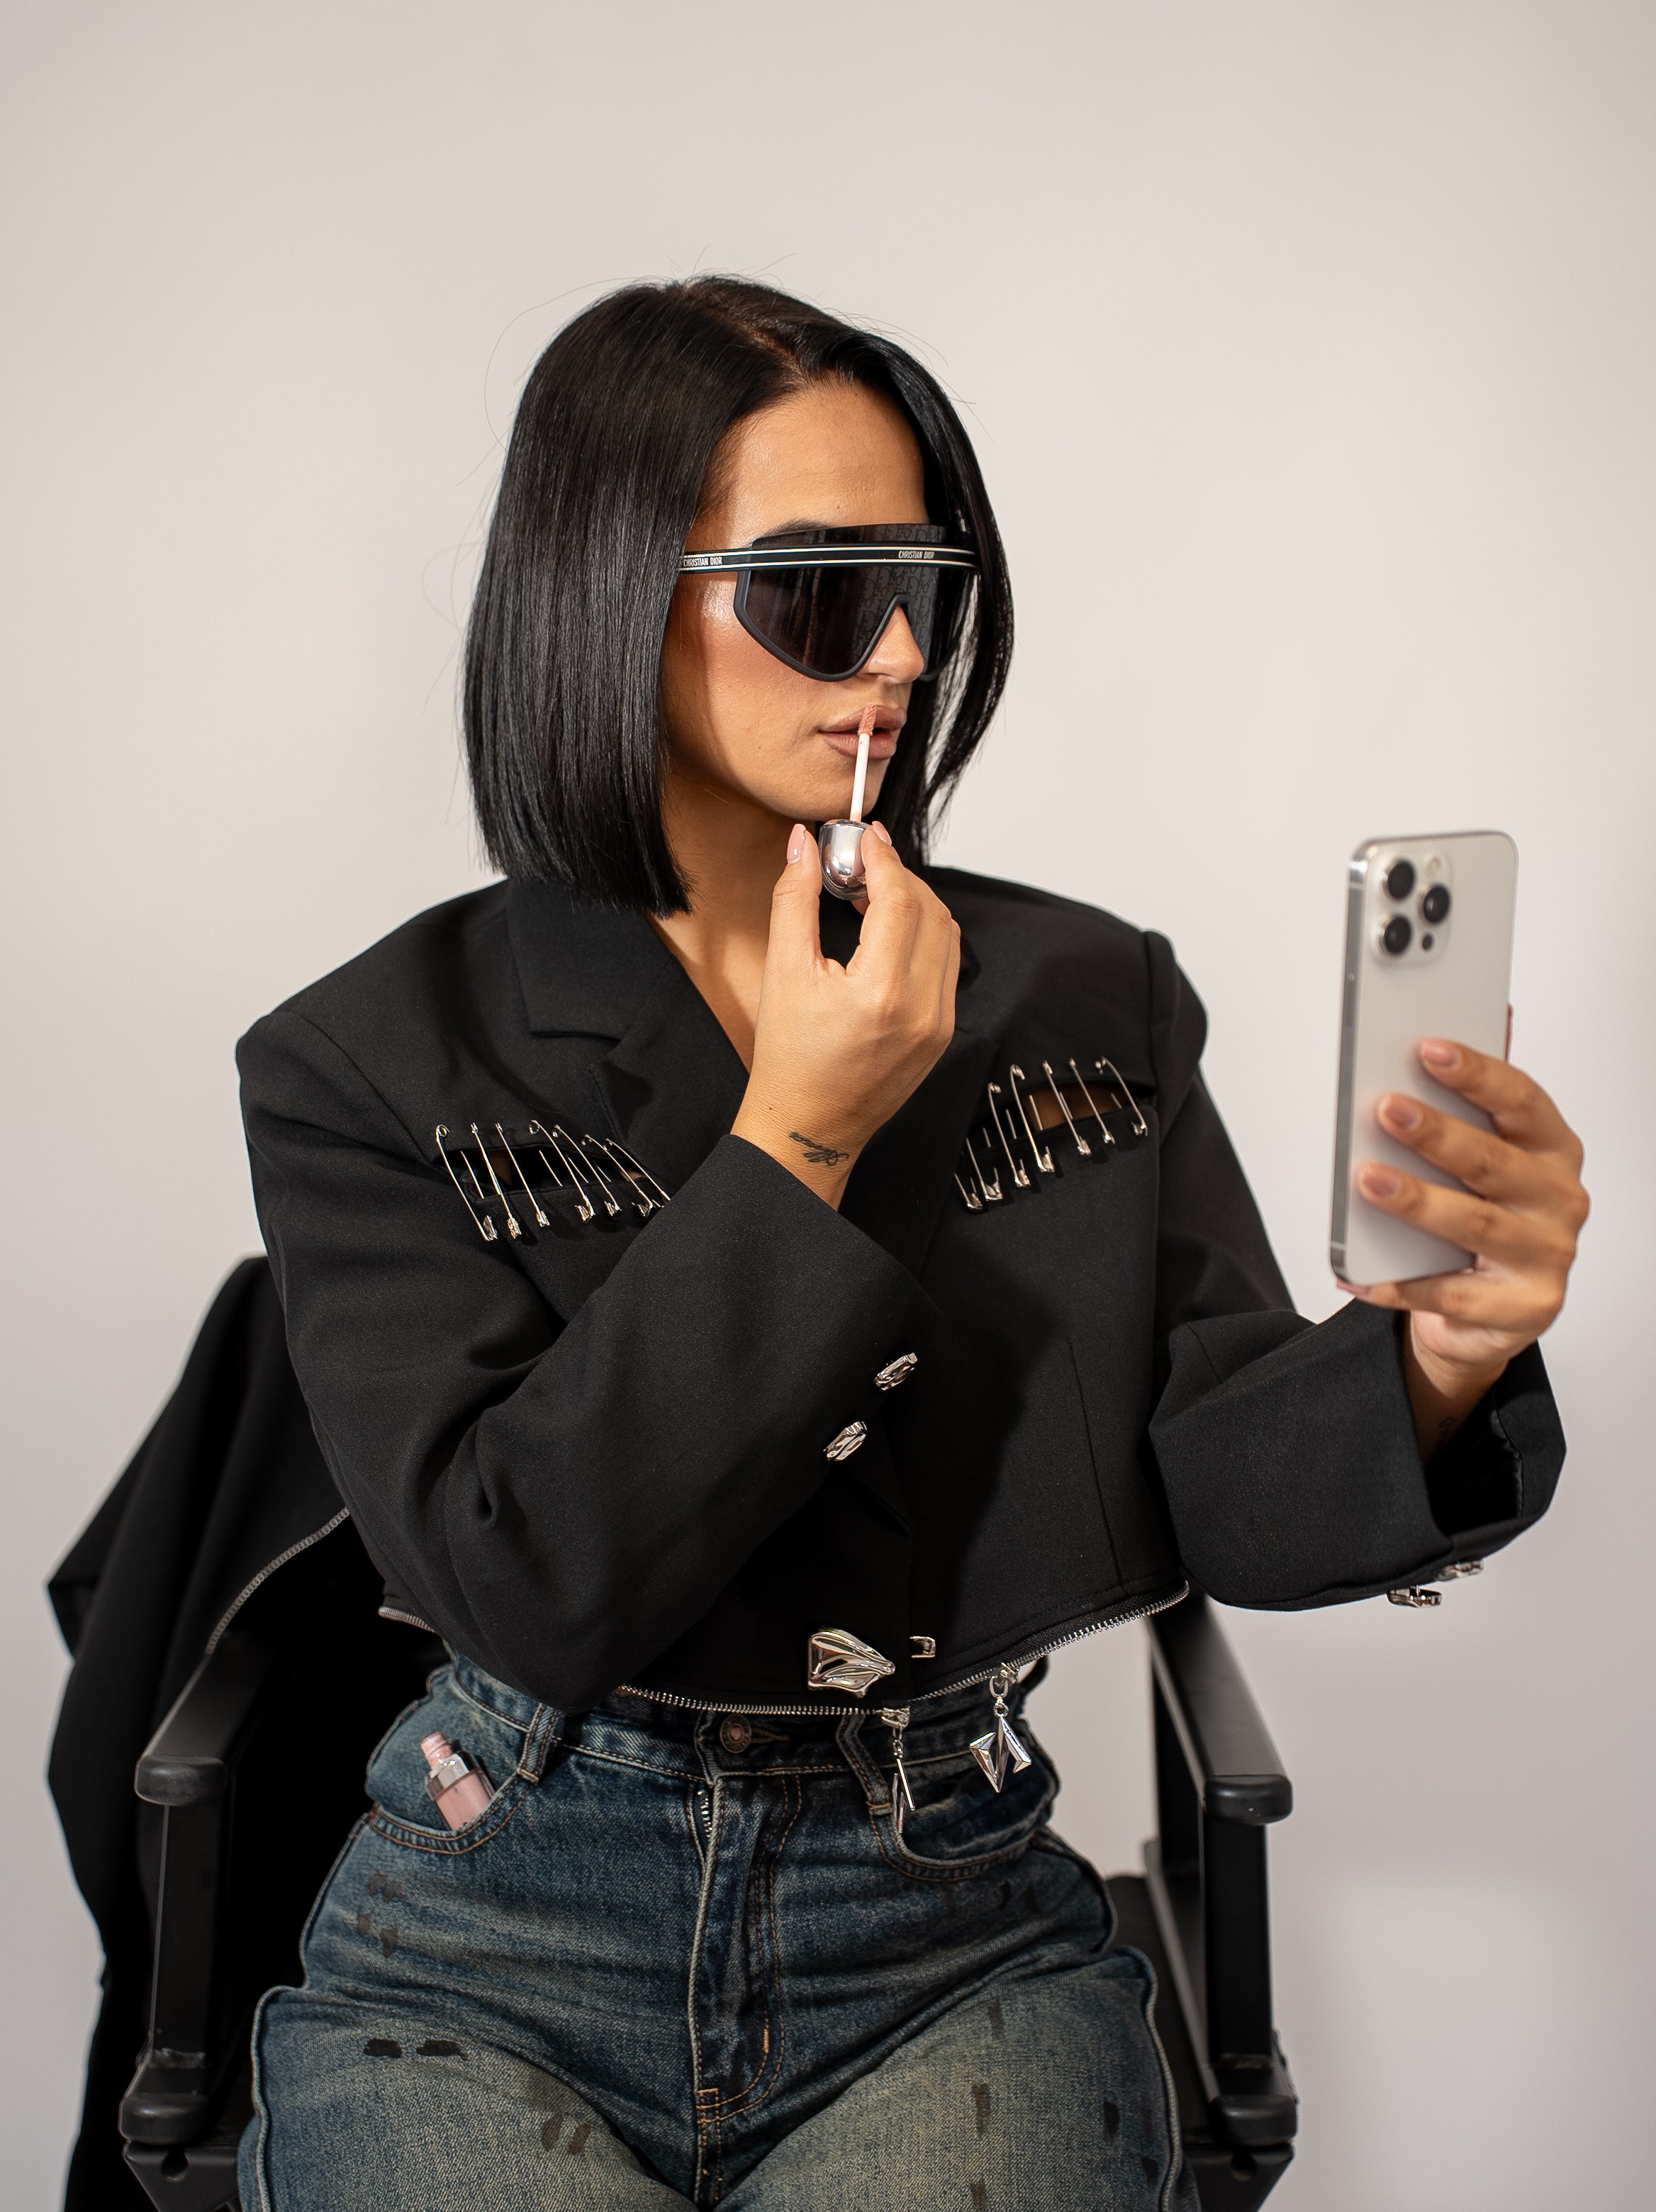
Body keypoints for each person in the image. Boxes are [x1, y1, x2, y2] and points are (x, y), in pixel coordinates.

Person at [233, 277, 1587, 2212]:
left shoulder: (1086, 998)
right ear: (607, 595)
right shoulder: (367, 1061)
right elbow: (522, 1577)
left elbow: (1233, 1497)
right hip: (498, 1914)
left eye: (925, 587)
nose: (892, 655)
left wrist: (1442, 1355)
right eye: (814, 590)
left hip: (944, 1924)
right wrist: (797, 1137)